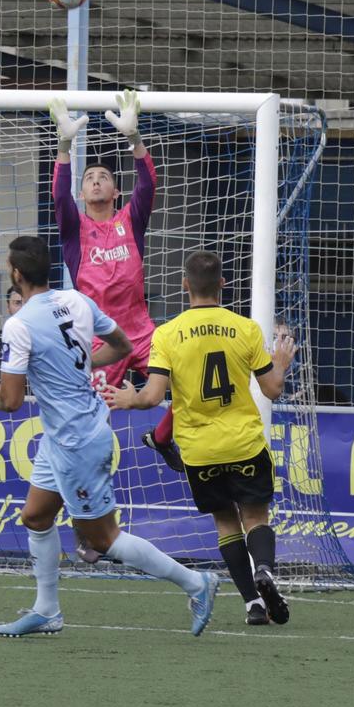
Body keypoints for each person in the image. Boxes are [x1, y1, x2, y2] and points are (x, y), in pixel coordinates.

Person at [0, 234, 218, 638]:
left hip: (77, 440)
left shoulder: (18, 325)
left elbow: (10, 402)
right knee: (36, 515)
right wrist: (69, 361)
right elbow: (123, 346)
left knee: (104, 539)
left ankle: (196, 583)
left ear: (16, 274)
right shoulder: (76, 300)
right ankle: (47, 610)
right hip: (64, 435)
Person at [111, 250, 298, 626]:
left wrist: (130, 399)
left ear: (185, 286)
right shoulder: (244, 328)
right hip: (244, 442)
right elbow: (273, 390)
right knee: (256, 516)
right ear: (222, 285)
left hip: (199, 451)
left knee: (225, 522)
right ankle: (264, 569)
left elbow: (152, 396)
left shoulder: (167, 335)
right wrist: (280, 362)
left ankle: (252, 604)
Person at [49, 90, 185, 469]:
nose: (95, 181)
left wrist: (134, 140)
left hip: (140, 331)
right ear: (81, 192)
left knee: (190, 383)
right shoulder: (74, 231)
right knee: (88, 414)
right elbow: (59, 197)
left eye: (103, 177)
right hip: (97, 337)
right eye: (89, 177)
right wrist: (64, 145)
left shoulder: (131, 221)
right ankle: (81, 475)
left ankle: (162, 437)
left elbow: (148, 186)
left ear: (115, 190)